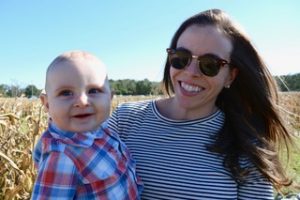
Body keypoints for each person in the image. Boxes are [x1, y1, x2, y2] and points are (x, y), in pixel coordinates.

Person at [108, 9, 297, 199]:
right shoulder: (124, 119)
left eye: (210, 64)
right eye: (181, 57)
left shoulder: (246, 146)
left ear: (230, 76)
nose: (191, 72)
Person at [32, 50, 143, 199]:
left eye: (94, 90)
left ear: (110, 98)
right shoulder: (61, 157)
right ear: (47, 104)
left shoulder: (101, 129)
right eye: (66, 93)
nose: (82, 102)